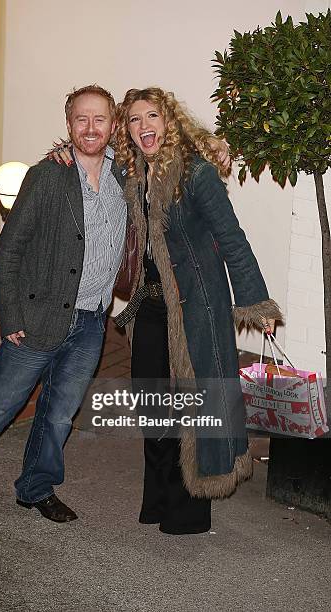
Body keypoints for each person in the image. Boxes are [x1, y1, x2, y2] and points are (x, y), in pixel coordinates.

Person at [0, 84, 128, 524]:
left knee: (58, 416)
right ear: (69, 124)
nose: (90, 127)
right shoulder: (48, 175)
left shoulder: (124, 178)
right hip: (35, 319)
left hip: (92, 323)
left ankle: (36, 488)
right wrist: (10, 316)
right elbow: (10, 249)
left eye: (99, 119)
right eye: (81, 119)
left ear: (113, 124)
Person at [111, 87, 282, 535]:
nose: (144, 126)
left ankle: (188, 509)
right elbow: (90, 149)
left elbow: (232, 240)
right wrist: (63, 154)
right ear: (126, 131)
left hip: (196, 305)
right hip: (150, 303)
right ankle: (159, 496)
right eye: (133, 120)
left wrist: (255, 302)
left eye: (152, 116)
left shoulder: (197, 174)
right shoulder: (130, 173)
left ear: (169, 121)